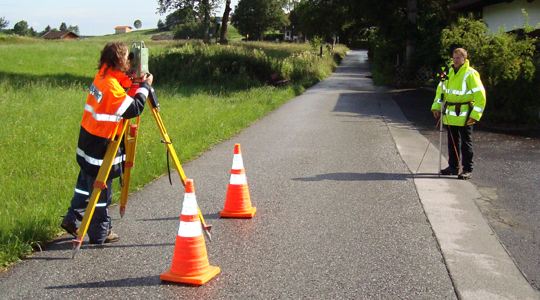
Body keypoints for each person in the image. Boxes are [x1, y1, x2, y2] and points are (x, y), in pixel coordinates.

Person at [61, 42, 153, 244]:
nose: (130, 61)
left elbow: (120, 92)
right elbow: (133, 108)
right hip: (103, 145)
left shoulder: (103, 76)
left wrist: (133, 81)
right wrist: (145, 87)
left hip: (88, 140)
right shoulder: (111, 86)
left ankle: (72, 217)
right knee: (102, 189)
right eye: (127, 58)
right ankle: (100, 232)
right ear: (119, 60)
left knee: (85, 184)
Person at [431, 48, 486, 180]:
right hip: (450, 113)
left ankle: (467, 169)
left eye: (458, 58)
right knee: (452, 141)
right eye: (454, 58)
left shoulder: (470, 74)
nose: (455, 60)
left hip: (465, 114)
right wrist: (436, 107)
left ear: (464, 59)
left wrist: (475, 115)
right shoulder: (448, 72)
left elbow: (480, 95)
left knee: (466, 142)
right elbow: (440, 91)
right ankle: (453, 167)